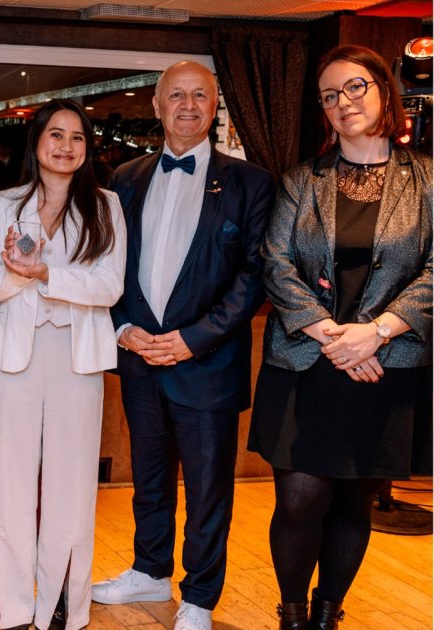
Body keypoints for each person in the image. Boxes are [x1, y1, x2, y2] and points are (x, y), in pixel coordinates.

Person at [249, 45, 431, 630]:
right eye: (330, 95)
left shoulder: (428, 178)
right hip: (307, 361)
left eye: (355, 87)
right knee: (299, 500)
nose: (343, 102)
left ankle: (328, 616)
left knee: (355, 499)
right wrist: (337, 339)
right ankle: (292, 616)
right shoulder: (302, 180)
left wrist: (376, 333)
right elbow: (276, 263)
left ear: (382, 90)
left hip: (387, 364)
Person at [92, 61, 275, 630]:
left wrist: (193, 340)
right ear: (157, 105)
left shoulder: (251, 183)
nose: (188, 106)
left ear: (215, 105)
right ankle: (149, 571)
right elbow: (106, 265)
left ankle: (199, 596)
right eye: (177, 95)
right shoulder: (124, 178)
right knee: (148, 479)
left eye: (200, 95)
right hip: (139, 358)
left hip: (207, 364)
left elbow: (253, 277)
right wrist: (122, 326)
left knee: (207, 491)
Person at [0, 99, 125, 630]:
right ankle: (11, 603)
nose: (65, 146)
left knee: (72, 486)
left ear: (87, 147)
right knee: (9, 484)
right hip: (15, 358)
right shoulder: (4, 203)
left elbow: (110, 287)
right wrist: (18, 272)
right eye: (55, 135)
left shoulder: (105, 205)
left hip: (77, 360)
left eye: (76, 137)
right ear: (37, 142)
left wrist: (44, 274)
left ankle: (62, 602)